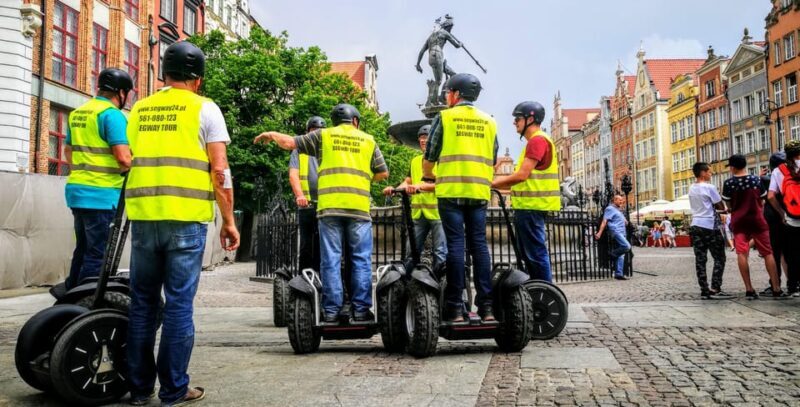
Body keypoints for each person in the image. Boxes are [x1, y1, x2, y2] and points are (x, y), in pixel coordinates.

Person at [125, 41, 240, 406]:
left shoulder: (139, 108)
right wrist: (228, 221)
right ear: (198, 79)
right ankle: (174, 389)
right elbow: (220, 170)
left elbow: (130, 157)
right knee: (178, 305)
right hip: (186, 220)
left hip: (144, 217)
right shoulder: (205, 108)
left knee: (142, 304)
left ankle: (139, 389)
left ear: (164, 73)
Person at [255, 103, 389, 322]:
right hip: (358, 208)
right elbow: (383, 173)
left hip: (329, 208)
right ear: (355, 121)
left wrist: (271, 134)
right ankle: (361, 310)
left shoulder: (324, 136)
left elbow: (289, 143)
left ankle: (332, 310)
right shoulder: (368, 139)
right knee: (360, 260)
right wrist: (365, 179)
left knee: (331, 259)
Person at [422, 73, 498, 322]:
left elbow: (430, 155)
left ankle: (455, 307)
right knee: (479, 246)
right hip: (478, 192)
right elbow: (493, 158)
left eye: (447, 93)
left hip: (451, 192)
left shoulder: (445, 117)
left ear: (455, 94)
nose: (446, 97)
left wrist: (429, 176)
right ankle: (487, 307)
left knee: (455, 246)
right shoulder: (489, 121)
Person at [63, 68, 133, 290]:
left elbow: (68, 152)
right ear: (121, 93)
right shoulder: (111, 115)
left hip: (77, 191)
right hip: (102, 195)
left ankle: (72, 291)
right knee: (98, 253)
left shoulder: (79, 113)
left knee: (83, 248)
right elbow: (123, 158)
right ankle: (87, 299)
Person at [491, 101, 560, 282]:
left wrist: (491, 183)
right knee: (529, 254)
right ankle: (537, 288)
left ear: (530, 119)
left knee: (535, 254)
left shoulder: (537, 141)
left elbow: (521, 176)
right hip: (530, 207)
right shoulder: (536, 141)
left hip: (532, 207)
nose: (514, 122)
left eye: (518, 118)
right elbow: (519, 181)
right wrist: (496, 185)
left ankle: (544, 290)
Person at [382, 124, 447, 271]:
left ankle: (440, 281)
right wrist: (395, 189)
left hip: (438, 213)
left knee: (440, 253)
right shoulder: (415, 161)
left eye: (427, 137)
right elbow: (408, 181)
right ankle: (410, 280)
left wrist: (420, 187)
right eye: (421, 138)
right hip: (418, 213)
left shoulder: (442, 160)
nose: (423, 140)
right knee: (411, 252)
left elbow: (444, 184)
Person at [721, 154, 786, 299]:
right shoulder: (756, 180)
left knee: (742, 253)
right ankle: (776, 288)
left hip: (739, 221)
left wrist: (735, 208)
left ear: (732, 167)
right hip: (757, 220)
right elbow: (763, 200)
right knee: (768, 253)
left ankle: (749, 289)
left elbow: (729, 205)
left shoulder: (729, 183)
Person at [688, 162, 732, 300]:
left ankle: (704, 289)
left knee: (700, 259)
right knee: (719, 257)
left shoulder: (691, 188)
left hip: (695, 224)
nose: (711, 174)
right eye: (709, 172)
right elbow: (720, 206)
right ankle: (715, 287)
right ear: (702, 173)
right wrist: (725, 209)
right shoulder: (709, 187)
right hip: (709, 225)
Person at [289, 116, 327, 272]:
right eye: (314, 130)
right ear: (307, 132)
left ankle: (322, 278)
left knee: (325, 245)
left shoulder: (329, 148)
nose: (316, 134)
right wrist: (300, 196)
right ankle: (304, 278)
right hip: (307, 204)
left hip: (327, 203)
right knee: (306, 244)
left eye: (320, 131)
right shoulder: (299, 149)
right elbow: (293, 175)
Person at [768, 140, 800, 296]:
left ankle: (793, 286)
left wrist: (782, 214)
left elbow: (770, 196)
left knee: (792, 253)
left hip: (791, 218)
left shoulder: (779, 170)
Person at [761, 152, 787, 293]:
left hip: (772, 217)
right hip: (791, 215)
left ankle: (775, 284)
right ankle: (794, 283)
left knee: (775, 252)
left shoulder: (766, 179)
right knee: (789, 251)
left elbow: (764, 195)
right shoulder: (791, 176)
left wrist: (759, 176)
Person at [595, 194, 631, 280]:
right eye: (619, 200)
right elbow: (604, 221)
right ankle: (612, 254)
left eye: (622, 200)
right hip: (616, 231)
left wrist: (625, 221)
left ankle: (618, 274)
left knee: (621, 254)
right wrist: (599, 233)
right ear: (614, 200)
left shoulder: (619, 210)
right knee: (627, 246)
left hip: (622, 232)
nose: (621, 201)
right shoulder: (609, 208)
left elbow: (625, 221)